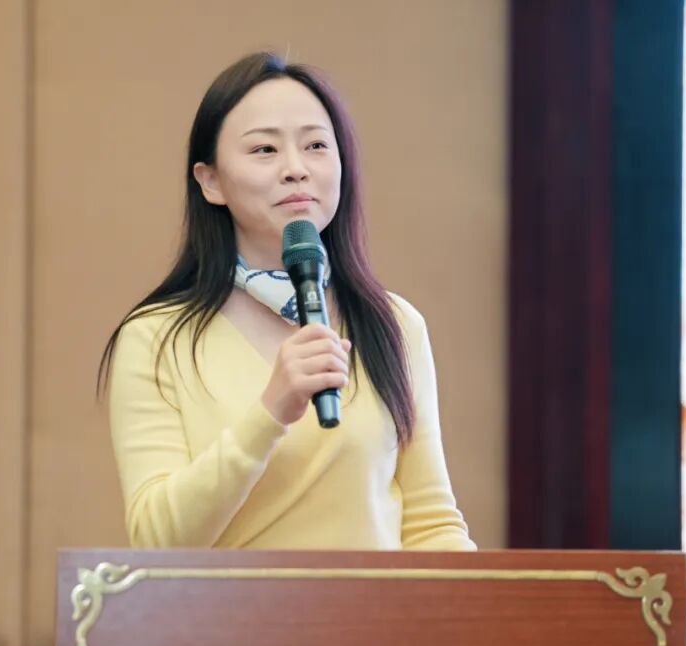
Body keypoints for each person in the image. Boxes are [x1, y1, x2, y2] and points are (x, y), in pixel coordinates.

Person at [97, 51, 475, 552]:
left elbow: (432, 525)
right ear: (210, 181)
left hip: (373, 606)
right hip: (229, 607)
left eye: (316, 145)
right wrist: (271, 410)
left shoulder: (394, 324)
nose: (296, 169)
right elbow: (157, 540)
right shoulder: (156, 337)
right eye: (265, 150)